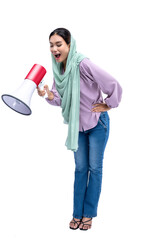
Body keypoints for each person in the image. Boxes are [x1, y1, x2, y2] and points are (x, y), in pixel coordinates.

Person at [37, 28, 122, 230]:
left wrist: (109, 104)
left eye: (59, 44)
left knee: (95, 169)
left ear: (69, 45)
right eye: (51, 45)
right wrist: (48, 95)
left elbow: (112, 83)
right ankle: (77, 213)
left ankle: (88, 214)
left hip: (96, 124)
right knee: (80, 169)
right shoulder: (59, 70)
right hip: (78, 128)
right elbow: (60, 100)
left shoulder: (83, 64)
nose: (54, 49)